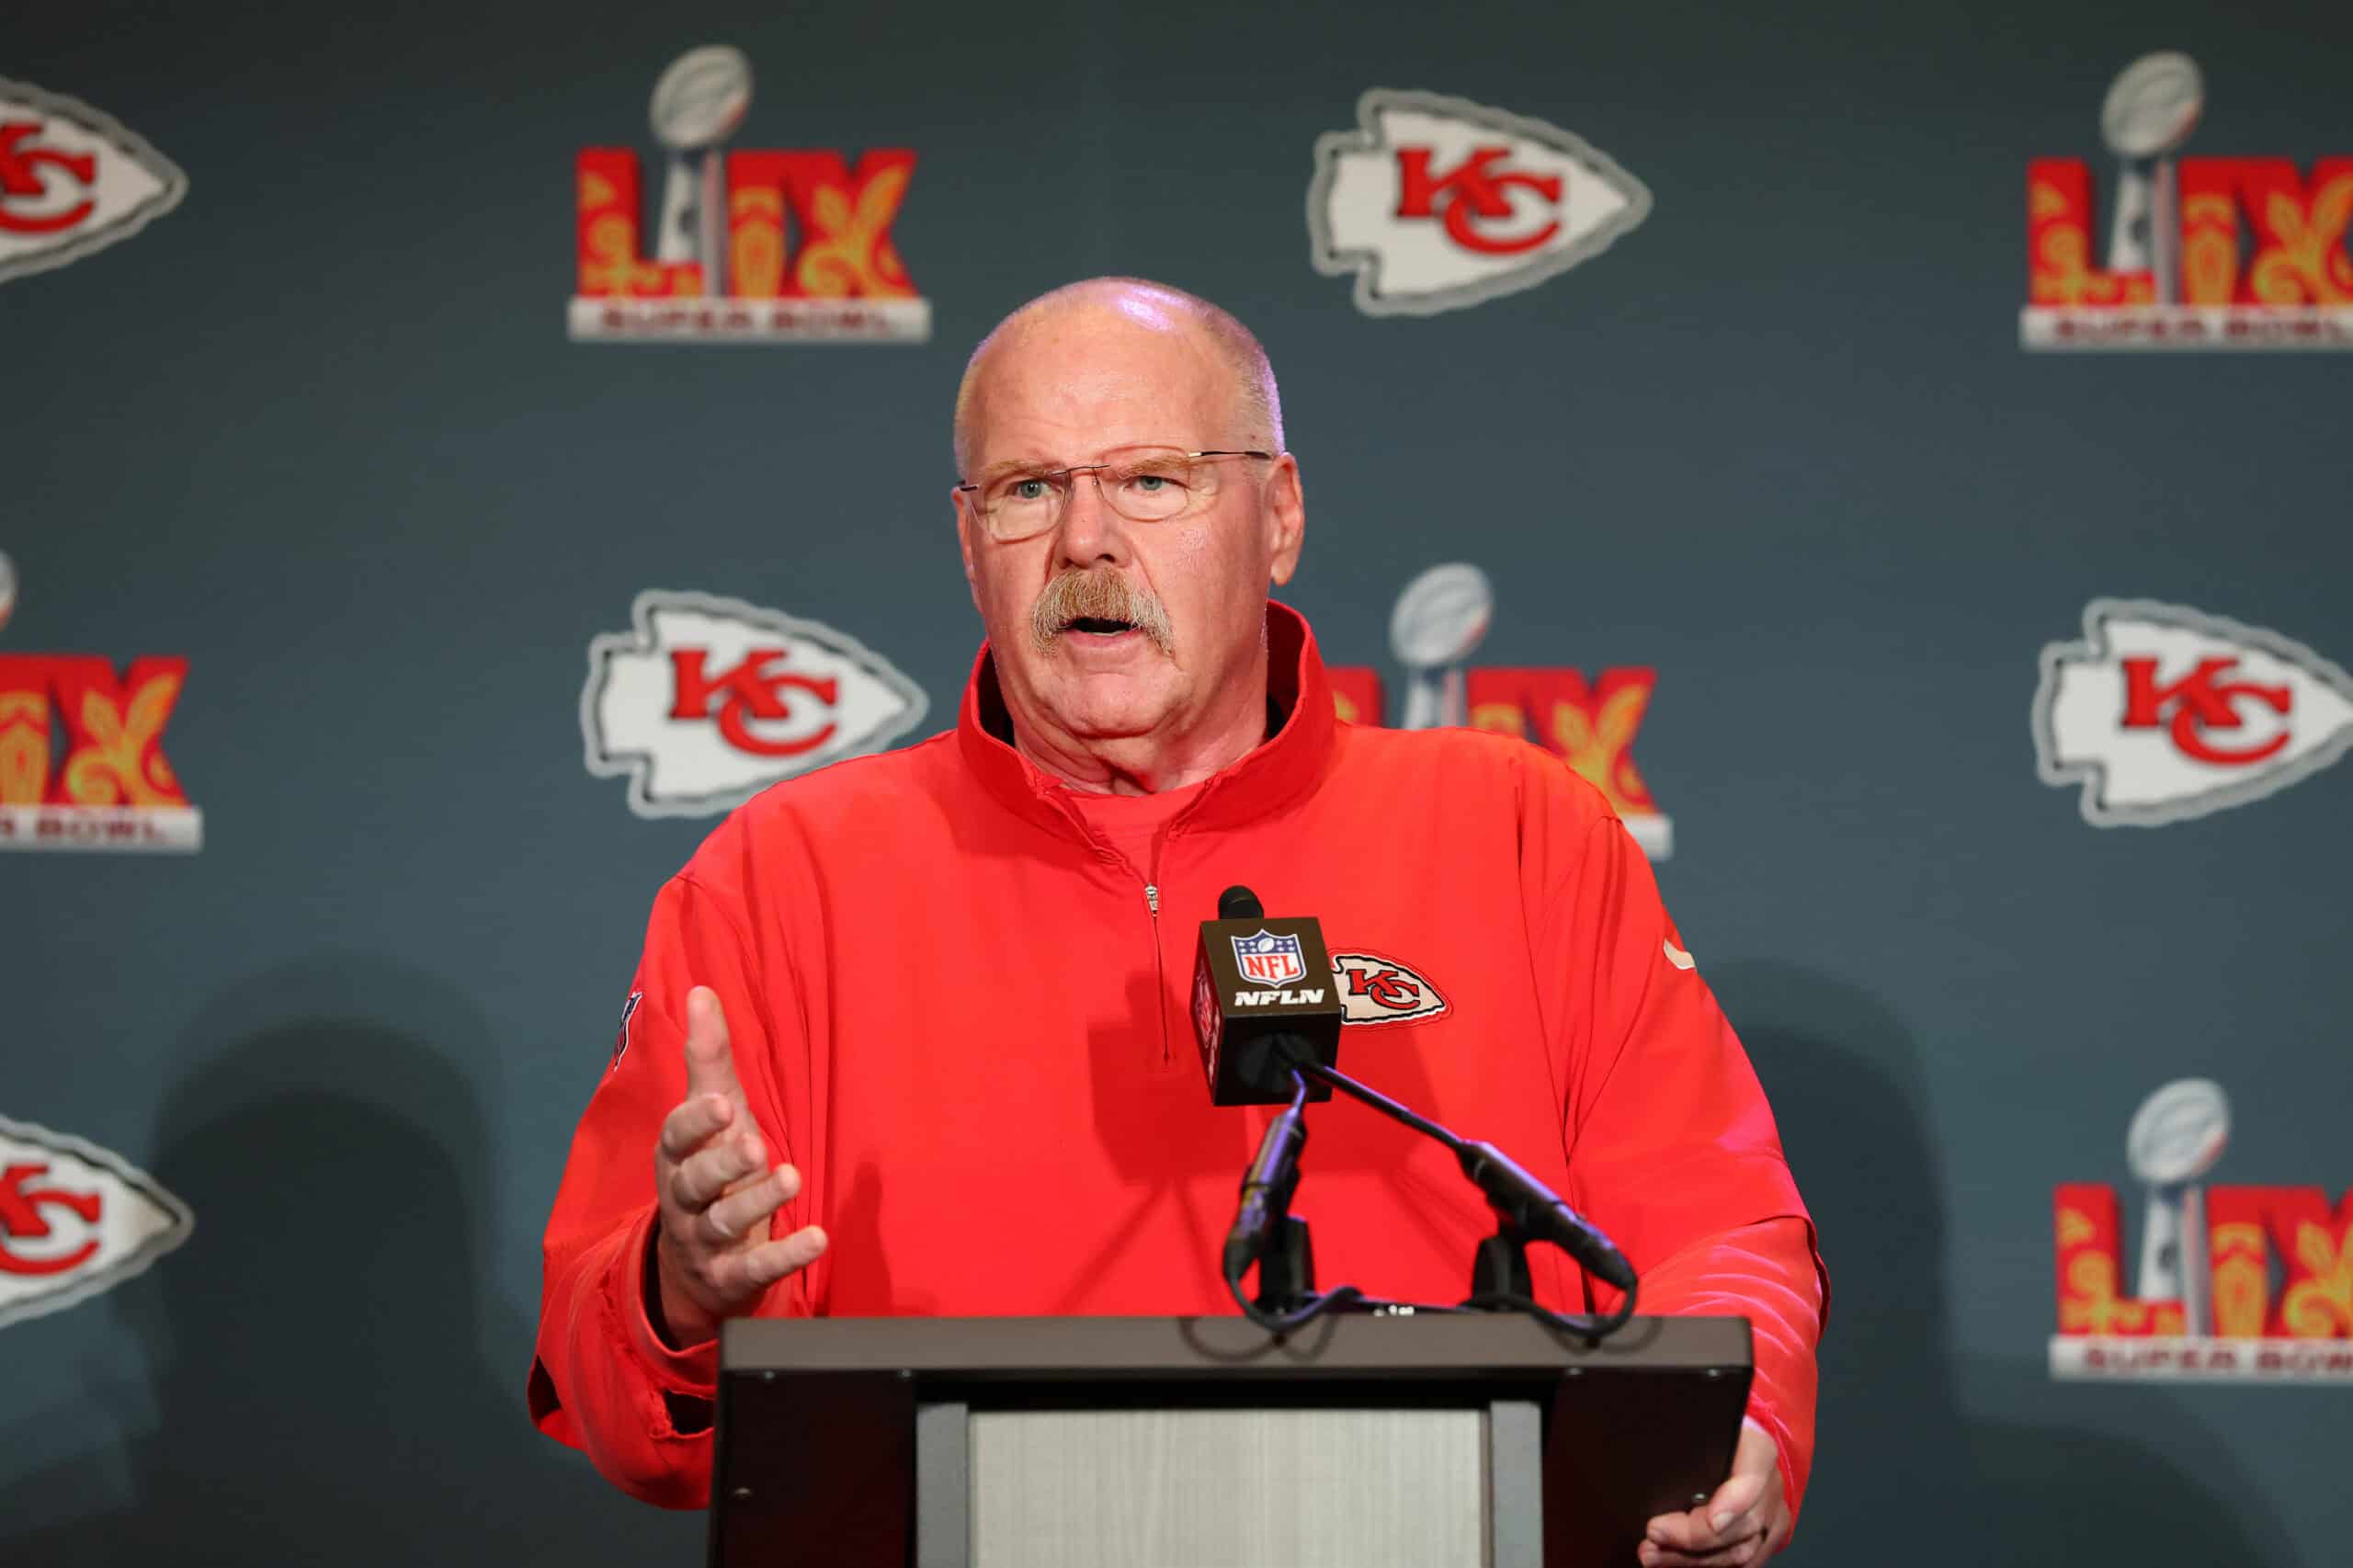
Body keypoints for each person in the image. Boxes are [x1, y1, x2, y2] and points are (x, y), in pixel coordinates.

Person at [530, 278, 1826, 1565]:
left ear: (1280, 518)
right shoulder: (781, 879)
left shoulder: (1522, 832)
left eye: (1153, 479)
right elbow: (629, 1408)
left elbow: (1720, 1221)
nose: (1086, 540)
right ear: (969, 538)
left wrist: (1741, 1414)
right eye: (1028, 490)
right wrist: (679, 1292)